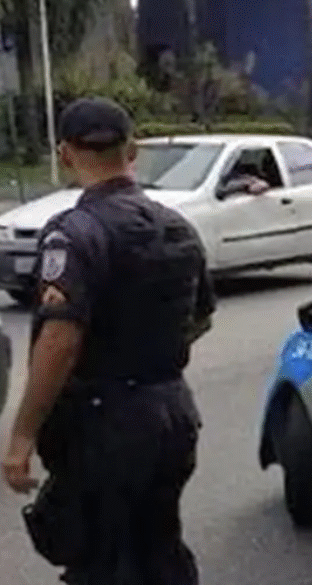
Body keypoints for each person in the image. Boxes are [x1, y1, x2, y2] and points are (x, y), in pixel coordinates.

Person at [2, 97, 215, 585]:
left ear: (64, 154)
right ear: (132, 150)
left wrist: (22, 435)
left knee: (103, 562)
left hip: (104, 424)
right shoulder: (177, 227)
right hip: (171, 413)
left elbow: (59, 341)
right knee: (159, 550)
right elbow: (201, 316)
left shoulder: (75, 233)